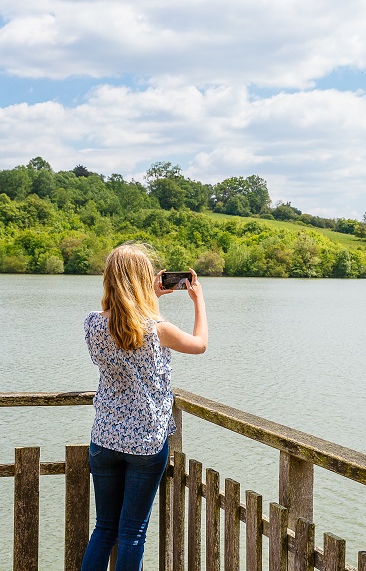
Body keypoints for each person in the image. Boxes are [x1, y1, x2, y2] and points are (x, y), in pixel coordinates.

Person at [81, 243, 208, 571]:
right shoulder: (157, 328)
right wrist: (199, 301)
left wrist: (148, 299)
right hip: (145, 442)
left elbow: (125, 322)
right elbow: (200, 345)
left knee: (104, 528)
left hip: (105, 438)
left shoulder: (93, 324)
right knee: (132, 532)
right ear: (142, 280)